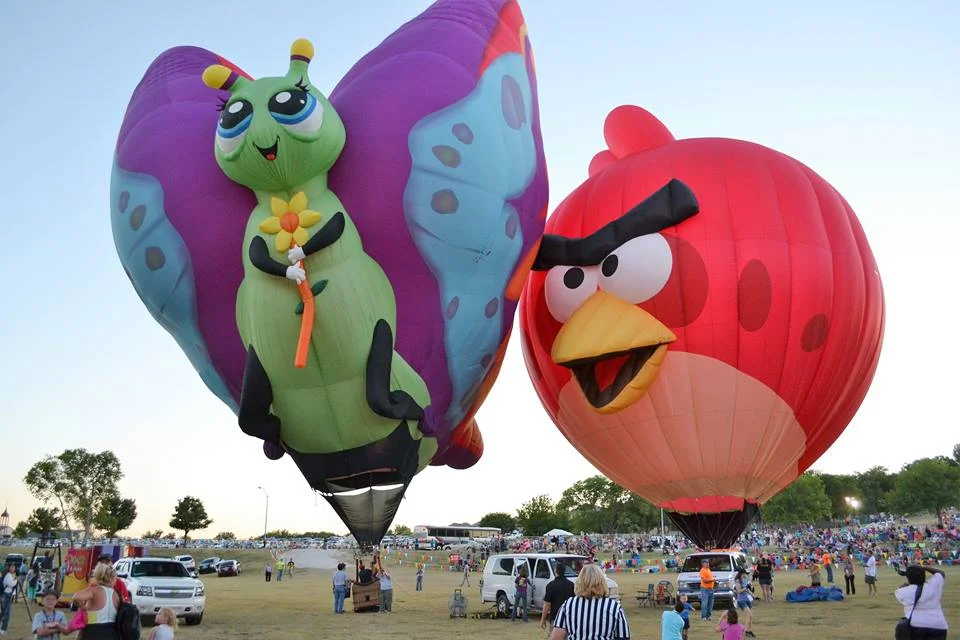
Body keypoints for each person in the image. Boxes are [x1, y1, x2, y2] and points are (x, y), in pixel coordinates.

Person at [550, 564, 630, 640]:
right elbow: (624, 637)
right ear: (602, 581)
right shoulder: (614, 607)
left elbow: (556, 637)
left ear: (580, 581)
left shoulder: (568, 605)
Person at [894, 565, 948, 640]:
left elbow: (899, 590)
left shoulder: (903, 592)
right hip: (938, 625)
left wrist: (907, 584)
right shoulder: (933, 585)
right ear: (924, 575)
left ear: (908, 578)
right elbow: (941, 573)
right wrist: (923, 567)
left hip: (915, 625)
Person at [71, 563, 121, 639]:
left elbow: (75, 597)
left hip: (94, 631)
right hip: (112, 632)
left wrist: (82, 606)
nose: (115, 581)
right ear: (111, 578)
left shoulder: (94, 590)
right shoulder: (117, 595)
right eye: (115, 578)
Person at [541, 562, 575, 638]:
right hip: (569, 618)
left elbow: (547, 604)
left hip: (555, 618)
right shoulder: (571, 585)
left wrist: (543, 619)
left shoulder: (551, 585)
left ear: (555, 571)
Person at [734, 570, 755, 638]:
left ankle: (750, 631)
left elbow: (747, 589)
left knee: (750, 616)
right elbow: (738, 591)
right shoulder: (737, 581)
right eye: (745, 574)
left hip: (747, 599)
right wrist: (745, 589)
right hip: (741, 600)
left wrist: (752, 594)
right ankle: (745, 631)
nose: (746, 575)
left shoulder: (745, 580)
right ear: (741, 574)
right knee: (749, 614)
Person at [1, 563, 17, 637]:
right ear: (9, 568)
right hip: (7, 595)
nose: (13, 568)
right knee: (7, 613)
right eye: (12, 567)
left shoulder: (6, 574)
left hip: (4, 595)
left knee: (4, 612)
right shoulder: (9, 575)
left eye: (14, 567)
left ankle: (2, 626)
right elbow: (11, 584)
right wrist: (16, 580)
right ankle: (3, 629)